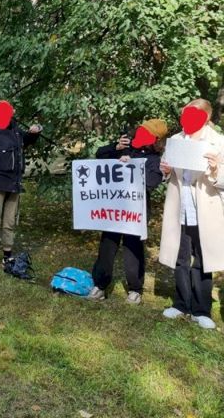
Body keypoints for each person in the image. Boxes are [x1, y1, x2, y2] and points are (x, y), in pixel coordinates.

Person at [158, 98, 224, 330]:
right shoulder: (176, 140)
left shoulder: (218, 141)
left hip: (204, 209)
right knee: (181, 257)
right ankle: (181, 304)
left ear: (206, 117)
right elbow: (168, 172)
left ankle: (201, 309)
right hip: (180, 206)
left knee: (203, 259)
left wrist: (216, 169)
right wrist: (166, 170)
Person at [87, 119, 168, 304]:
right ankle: (100, 285)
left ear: (155, 140)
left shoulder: (155, 160)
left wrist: (130, 167)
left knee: (133, 248)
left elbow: (151, 182)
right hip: (114, 208)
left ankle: (135, 289)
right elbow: (100, 155)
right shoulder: (126, 148)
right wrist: (116, 148)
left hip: (136, 212)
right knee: (107, 245)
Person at [0, 101, 42, 275]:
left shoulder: (17, 132)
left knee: (9, 223)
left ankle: (7, 256)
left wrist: (36, 130)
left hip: (14, 184)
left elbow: (30, 138)